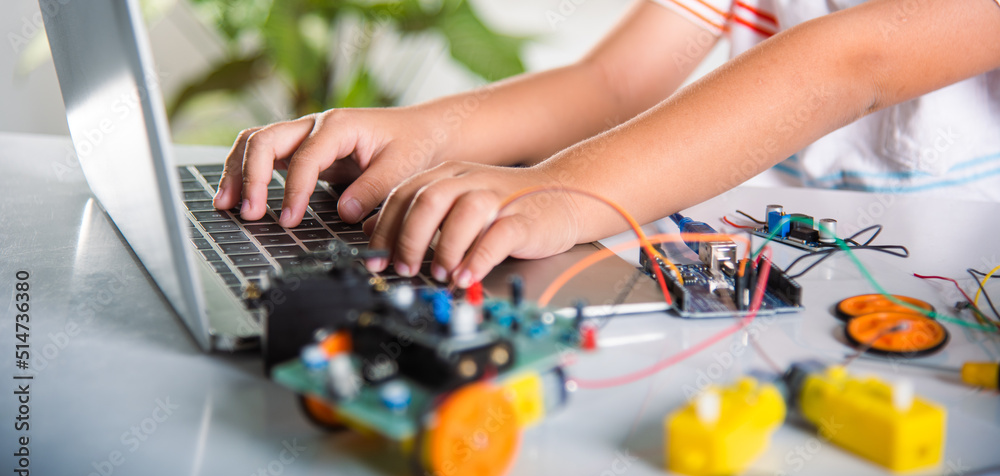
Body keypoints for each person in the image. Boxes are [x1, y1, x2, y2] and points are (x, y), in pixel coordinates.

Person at [212, 0, 1000, 288]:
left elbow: (858, 61)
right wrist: (425, 130)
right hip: (776, 285)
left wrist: (568, 187)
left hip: (947, 297)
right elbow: (616, 84)